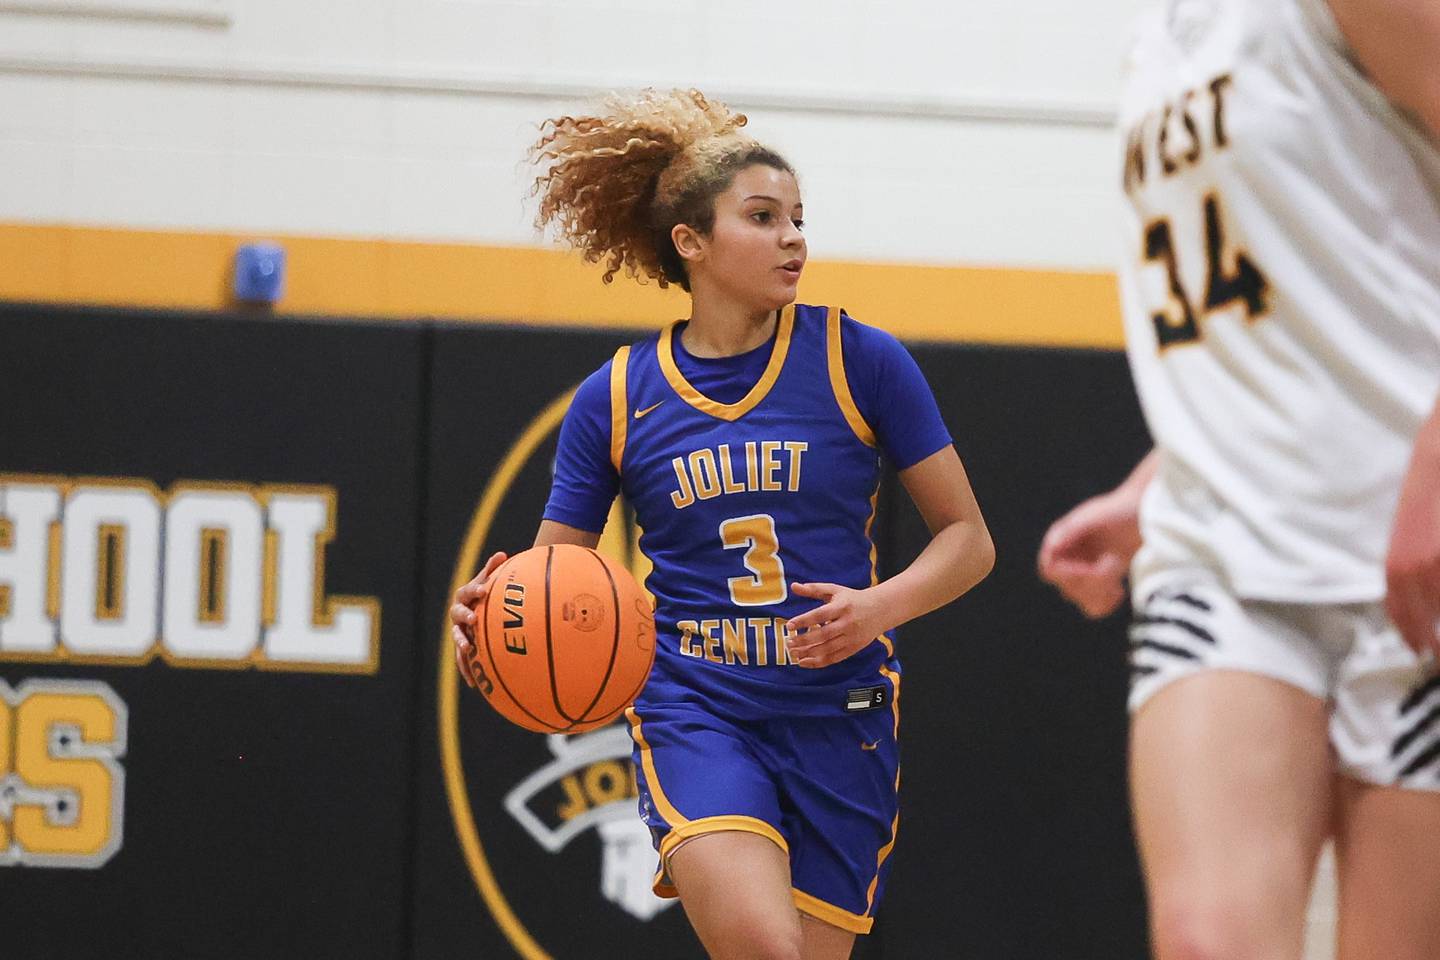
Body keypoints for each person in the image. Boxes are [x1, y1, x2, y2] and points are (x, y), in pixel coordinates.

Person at [449, 89, 995, 960]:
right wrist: (492, 619)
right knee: (763, 950)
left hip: (839, 709)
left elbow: (969, 539)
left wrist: (876, 607)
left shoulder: (861, 360)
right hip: (696, 703)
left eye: (799, 219)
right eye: (764, 217)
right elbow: (555, 579)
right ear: (691, 243)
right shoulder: (620, 397)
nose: (794, 238)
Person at [1037, 0, 1440, 957]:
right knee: (1208, 940)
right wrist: (1150, 485)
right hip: (1221, 544)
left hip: (1410, 553)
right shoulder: (1159, 36)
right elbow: (1291, 301)